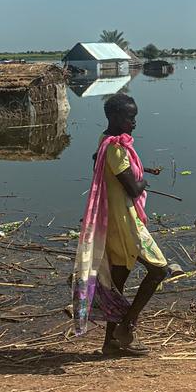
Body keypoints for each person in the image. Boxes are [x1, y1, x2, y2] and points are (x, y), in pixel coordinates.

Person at [72, 93, 168, 356]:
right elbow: (133, 189)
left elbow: (101, 159)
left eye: (134, 116)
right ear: (114, 117)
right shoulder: (115, 147)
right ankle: (127, 323)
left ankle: (110, 343)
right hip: (125, 222)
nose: (134, 122)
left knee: (118, 280)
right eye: (129, 117)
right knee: (159, 270)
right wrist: (143, 181)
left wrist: (142, 169)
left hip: (111, 221)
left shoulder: (105, 141)